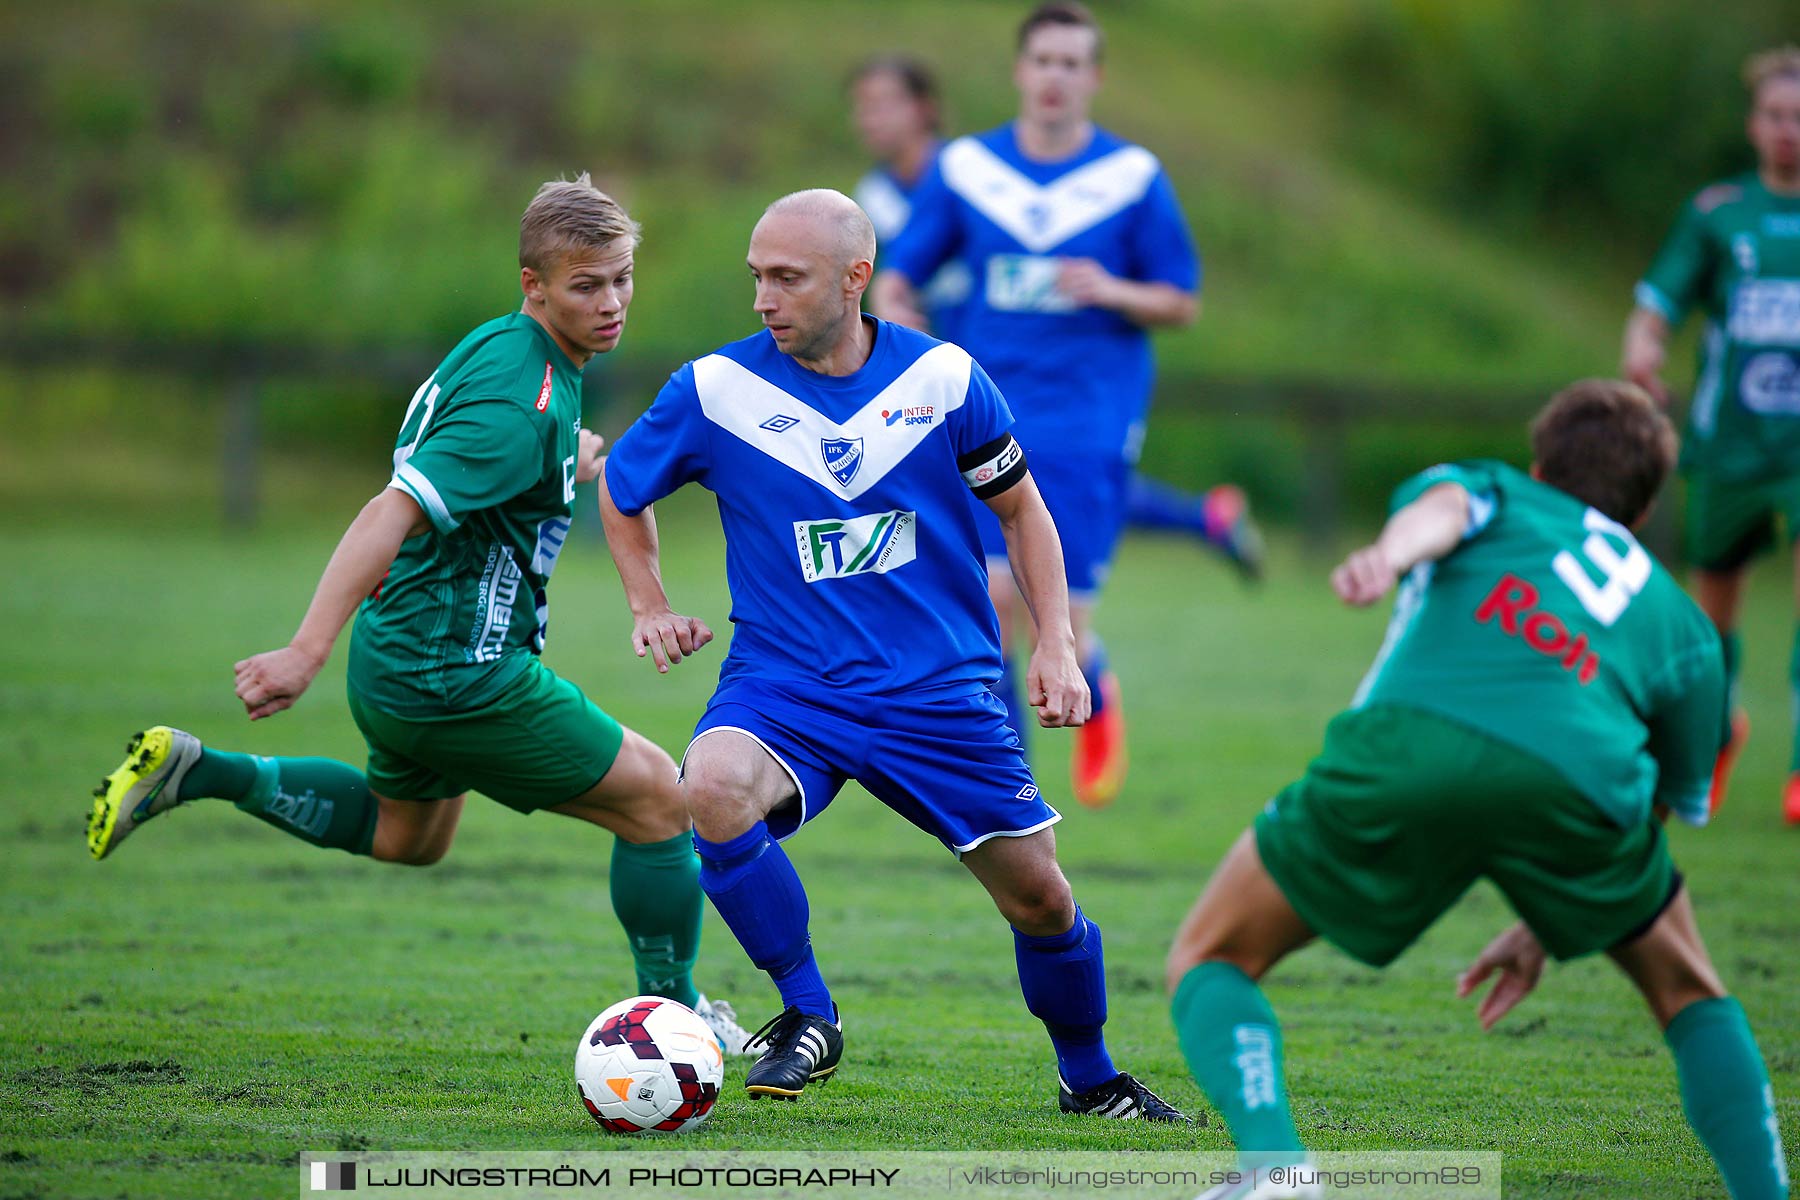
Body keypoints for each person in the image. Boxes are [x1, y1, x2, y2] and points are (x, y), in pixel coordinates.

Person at [85, 175, 752, 1056]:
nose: (612, 302)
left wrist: (571, 461)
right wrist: (302, 651)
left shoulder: (512, 352)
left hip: (401, 661)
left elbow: (504, 467)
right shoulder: (522, 406)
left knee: (407, 838)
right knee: (663, 802)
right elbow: (390, 510)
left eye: (622, 277)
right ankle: (678, 1023)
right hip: (458, 674)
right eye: (587, 285)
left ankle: (200, 773)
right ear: (535, 284)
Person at [599, 187, 1186, 1120]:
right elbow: (622, 490)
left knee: (1039, 900)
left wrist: (1059, 647)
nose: (763, 298)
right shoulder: (716, 391)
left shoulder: (945, 381)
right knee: (707, 784)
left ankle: (1091, 1077)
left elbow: (1024, 512)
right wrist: (650, 604)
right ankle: (807, 1012)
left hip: (940, 689)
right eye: (756, 277)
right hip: (787, 682)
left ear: (855, 278)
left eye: (786, 278)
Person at [1163, 381, 1787, 1200]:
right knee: (1690, 991)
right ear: (1641, 513)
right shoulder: (1686, 627)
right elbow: (1666, 801)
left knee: (1211, 955)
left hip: (1417, 742)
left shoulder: (1497, 488)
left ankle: (1276, 1170)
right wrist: (1550, 916)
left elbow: (1445, 511)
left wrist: (1389, 555)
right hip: (1583, 783)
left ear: (1538, 464)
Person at [869, 3, 1244, 811]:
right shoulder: (969, 169)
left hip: (1089, 417)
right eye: (1043, 60)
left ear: (1095, 79)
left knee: (1057, 616)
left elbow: (1181, 300)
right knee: (995, 604)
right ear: (1019, 70)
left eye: (1072, 63)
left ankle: (1093, 681)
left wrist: (1113, 290)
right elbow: (899, 276)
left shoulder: (1133, 178)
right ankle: (1010, 788)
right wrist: (898, 312)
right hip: (984, 408)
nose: (1055, 76)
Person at [849, 52, 1264, 589]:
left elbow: (1174, 295)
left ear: (925, 109)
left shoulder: (977, 175)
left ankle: (1196, 527)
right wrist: (889, 300)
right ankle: (1203, 521)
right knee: (983, 556)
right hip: (940, 385)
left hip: (1016, 380)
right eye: (862, 107)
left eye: (883, 104)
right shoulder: (875, 196)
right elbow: (893, 279)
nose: (869, 118)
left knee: (1031, 543)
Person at [1623, 45, 1800, 824]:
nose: (1788, 130)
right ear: (1753, 124)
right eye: (1775, 116)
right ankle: (1719, 731)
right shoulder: (1718, 212)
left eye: (1799, 118)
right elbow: (1658, 300)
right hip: (1728, 446)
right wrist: (1644, 345)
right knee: (1712, 616)